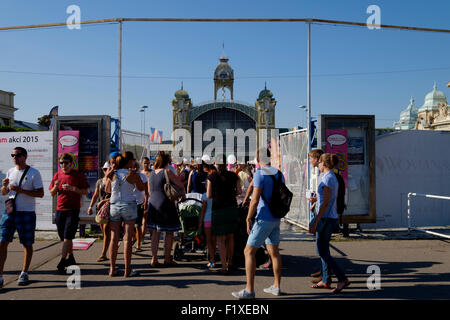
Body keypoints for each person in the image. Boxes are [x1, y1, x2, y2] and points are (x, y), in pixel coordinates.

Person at [232, 147, 283, 299]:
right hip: (276, 217)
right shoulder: (279, 173)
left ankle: (249, 290)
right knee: (274, 253)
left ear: (259, 160)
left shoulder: (260, 173)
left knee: (248, 252)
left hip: (263, 218)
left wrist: (248, 218)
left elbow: (255, 200)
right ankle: (277, 286)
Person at [0, 147, 44, 287]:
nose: (15, 157)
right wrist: (4, 187)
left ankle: (24, 272)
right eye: (12, 155)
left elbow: (40, 193)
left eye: (18, 155)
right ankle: (0, 275)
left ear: (25, 156)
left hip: (26, 212)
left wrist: (21, 190)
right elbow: (4, 193)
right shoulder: (10, 171)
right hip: (10, 211)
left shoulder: (34, 173)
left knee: (27, 243)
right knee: (2, 242)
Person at [309, 153, 350, 294]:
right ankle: (327, 280)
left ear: (324, 164)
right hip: (330, 217)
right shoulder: (331, 177)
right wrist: (316, 200)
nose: (318, 164)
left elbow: (325, 203)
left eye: (319, 162)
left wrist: (316, 220)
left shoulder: (327, 178)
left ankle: (342, 278)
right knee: (324, 250)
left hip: (326, 218)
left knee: (322, 251)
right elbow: (330, 198)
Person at [105, 151, 145, 277]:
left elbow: (107, 190)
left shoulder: (113, 173)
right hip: (129, 205)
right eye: (133, 159)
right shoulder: (132, 174)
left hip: (114, 206)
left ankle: (112, 268)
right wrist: (136, 176)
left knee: (114, 237)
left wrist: (109, 176)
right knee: (127, 238)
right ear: (128, 162)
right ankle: (127, 270)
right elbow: (141, 188)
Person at [49, 153, 89, 274]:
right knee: (64, 237)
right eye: (61, 163)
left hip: (73, 210)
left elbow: (86, 191)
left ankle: (62, 261)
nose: (63, 165)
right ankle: (71, 257)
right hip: (60, 209)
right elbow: (51, 193)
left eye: (66, 163)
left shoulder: (78, 175)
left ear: (71, 163)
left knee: (67, 236)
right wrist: (56, 187)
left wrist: (73, 189)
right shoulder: (58, 175)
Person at [147, 152, 184, 267]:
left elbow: (149, 191)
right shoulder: (167, 172)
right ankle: (167, 258)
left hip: (153, 203)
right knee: (169, 232)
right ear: (167, 162)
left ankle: (154, 259)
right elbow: (180, 184)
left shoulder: (151, 174)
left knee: (155, 234)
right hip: (165, 204)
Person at [207, 154, 242, 274]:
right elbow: (239, 191)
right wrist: (230, 194)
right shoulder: (233, 175)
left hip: (218, 209)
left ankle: (223, 266)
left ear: (216, 163)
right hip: (231, 208)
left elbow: (208, 195)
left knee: (220, 239)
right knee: (230, 236)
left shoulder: (212, 177)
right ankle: (230, 262)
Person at [87, 161, 112, 262]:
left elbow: (114, 196)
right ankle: (111, 244)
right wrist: (90, 207)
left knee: (106, 230)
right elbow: (95, 195)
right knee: (104, 231)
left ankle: (103, 254)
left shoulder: (113, 181)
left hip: (110, 208)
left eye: (109, 169)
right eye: (105, 169)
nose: (107, 171)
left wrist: (103, 201)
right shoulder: (100, 181)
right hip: (100, 209)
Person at [308, 148, 325, 283]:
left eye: (311, 158)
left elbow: (328, 197)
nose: (309, 161)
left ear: (317, 159)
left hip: (323, 214)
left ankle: (326, 275)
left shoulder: (324, 175)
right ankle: (324, 271)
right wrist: (315, 201)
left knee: (321, 246)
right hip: (319, 210)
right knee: (320, 245)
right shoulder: (319, 173)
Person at [198, 164, 217, 268]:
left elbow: (203, 211)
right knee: (215, 240)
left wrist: (200, 223)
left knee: (209, 240)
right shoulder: (217, 194)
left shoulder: (205, 195)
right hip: (215, 218)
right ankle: (216, 257)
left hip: (207, 220)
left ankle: (212, 259)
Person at [132, 161, 148, 253]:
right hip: (129, 202)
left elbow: (146, 190)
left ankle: (138, 245)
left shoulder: (142, 176)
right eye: (132, 166)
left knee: (138, 225)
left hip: (139, 203)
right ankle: (134, 237)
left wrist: (145, 202)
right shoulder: (128, 175)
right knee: (126, 225)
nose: (134, 168)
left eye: (135, 166)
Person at [141, 157, 152, 242]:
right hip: (141, 197)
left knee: (150, 219)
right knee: (143, 219)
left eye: (147, 163)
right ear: (142, 163)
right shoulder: (140, 173)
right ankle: (141, 238)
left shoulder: (152, 173)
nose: (146, 165)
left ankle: (152, 236)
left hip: (151, 198)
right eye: (144, 163)